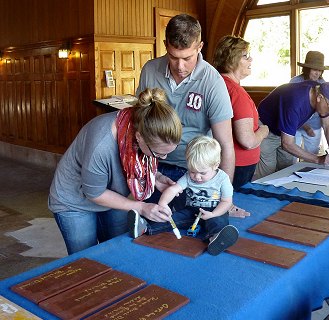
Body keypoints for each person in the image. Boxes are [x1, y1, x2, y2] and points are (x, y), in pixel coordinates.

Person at [48, 88, 182, 254]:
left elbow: (141, 160)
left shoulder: (142, 125)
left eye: (168, 152)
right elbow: (94, 193)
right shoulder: (102, 144)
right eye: (158, 154)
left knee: (117, 250)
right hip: (75, 201)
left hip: (111, 192)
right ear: (139, 137)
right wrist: (141, 207)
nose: (163, 157)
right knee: (85, 260)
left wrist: (157, 178)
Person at [136, 14, 235, 212]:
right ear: (165, 45)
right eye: (173, 57)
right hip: (154, 166)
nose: (180, 67)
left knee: (191, 229)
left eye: (187, 58)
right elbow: (138, 125)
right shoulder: (150, 70)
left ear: (200, 47)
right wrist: (147, 171)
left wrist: (224, 196)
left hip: (194, 171)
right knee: (153, 227)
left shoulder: (213, 82)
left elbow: (225, 144)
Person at [128, 136, 239, 256]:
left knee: (218, 222)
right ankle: (144, 228)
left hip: (213, 211)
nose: (196, 177)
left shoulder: (222, 179)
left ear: (215, 165)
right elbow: (173, 189)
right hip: (191, 211)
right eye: (192, 171)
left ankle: (216, 239)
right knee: (171, 218)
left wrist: (213, 214)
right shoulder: (187, 176)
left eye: (202, 173)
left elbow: (226, 202)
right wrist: (163, 204)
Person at [255, 81, 329, 179]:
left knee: (286, 169)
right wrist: (318, 159)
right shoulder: (296, 102)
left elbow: (328, 125)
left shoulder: (318, 90)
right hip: (266, 128)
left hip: (283, 130)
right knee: (267, 171)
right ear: (319, 98)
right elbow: (287, 144)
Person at [213, 35, 269, 190]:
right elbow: (247, 141)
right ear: (232, 60)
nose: (251, 60)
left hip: (219, 161)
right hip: (238, 165)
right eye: (245, 56)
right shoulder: (236, 93)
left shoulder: (216, 84)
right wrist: (264, 130)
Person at [290, 51, 329, 154]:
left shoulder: (323, 84)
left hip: (315, 127)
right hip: (295, 126)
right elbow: (290, 110)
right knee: (290, 158)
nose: (317, 73)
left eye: (320, 70)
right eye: (314, 70)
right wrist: (306, 127)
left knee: (312, 157)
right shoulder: (295, 82)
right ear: (307, 69)